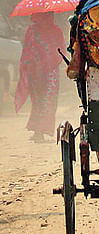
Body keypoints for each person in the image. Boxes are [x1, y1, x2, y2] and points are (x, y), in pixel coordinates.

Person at [14, 11, 65, 143]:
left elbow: (27, 50)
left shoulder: (33, 30)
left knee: (39, 101)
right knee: (46, 101)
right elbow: (61, 51)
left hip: (38, 72)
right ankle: (39, 131)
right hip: (48, 73)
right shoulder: (54, 30)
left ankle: (39, 131)